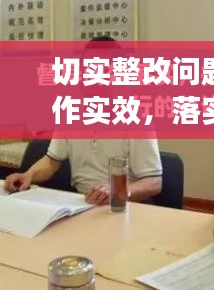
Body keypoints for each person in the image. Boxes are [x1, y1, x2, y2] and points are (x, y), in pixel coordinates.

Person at [5, 36, 162, 204]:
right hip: (83, 202)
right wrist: (28, 175)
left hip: (125, 205)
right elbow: (51, 161)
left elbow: (154, 182)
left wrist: (117, 190)